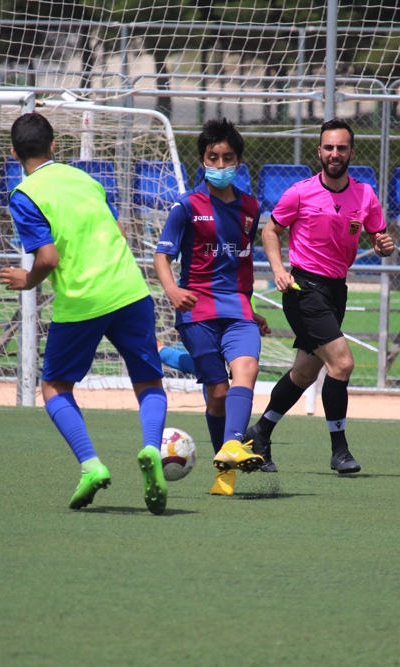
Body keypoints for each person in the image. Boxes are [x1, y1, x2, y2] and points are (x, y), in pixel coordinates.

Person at [0, 112, 169, 515]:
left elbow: (48, 257)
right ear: (55, 145)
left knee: (55, 386)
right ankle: (151, 448)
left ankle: (91, 465)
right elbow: (120, 234)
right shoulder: (86, 179)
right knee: (149, 382)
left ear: (13, 153)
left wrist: (28, 280)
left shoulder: (24, 195)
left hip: (81, 301)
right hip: (129, 288)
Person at [243, 118, 394, 474]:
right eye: (328, 147)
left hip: (335, 291)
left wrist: (384, 245)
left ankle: (259, 434)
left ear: (352, 152)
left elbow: (380, 240)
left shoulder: (365, 195)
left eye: (341, 148)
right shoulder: (300, 192)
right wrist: (278, 270)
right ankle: (339, 450)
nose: (335, 153)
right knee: (341, 364)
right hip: (303, 289)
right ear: (319, 152)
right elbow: (270, 230)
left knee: (304, 373)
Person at [154, 118, 270, 496]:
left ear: (238, 161)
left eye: (228, 158)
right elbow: (161, 257)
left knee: (246, 368)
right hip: (196, 309)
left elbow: (243, 262)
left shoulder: (251, 208)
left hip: (237, 308)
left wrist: (251, 310)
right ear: (202, 161)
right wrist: (173, 290)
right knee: (216, 391)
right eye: (213, 158)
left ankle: (230, 457)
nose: (220, 165)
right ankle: (171, 355)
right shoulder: (185, 206)